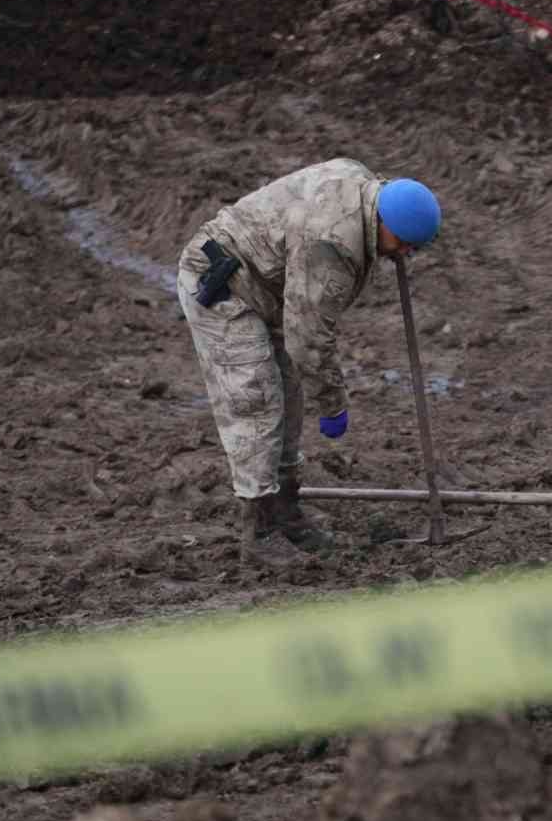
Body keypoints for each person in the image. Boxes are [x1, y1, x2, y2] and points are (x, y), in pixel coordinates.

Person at [175, 159, 442, 553]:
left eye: (412, 247)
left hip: (270, 283)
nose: (404, 252)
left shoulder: (368, 188)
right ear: (382, 218)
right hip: (222, 284)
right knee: (256, 400)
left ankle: (287, 510)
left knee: (290, 395)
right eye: (402, 242)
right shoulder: (333, 242)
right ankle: (260, 528)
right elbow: (309, 339)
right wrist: (333, 406)